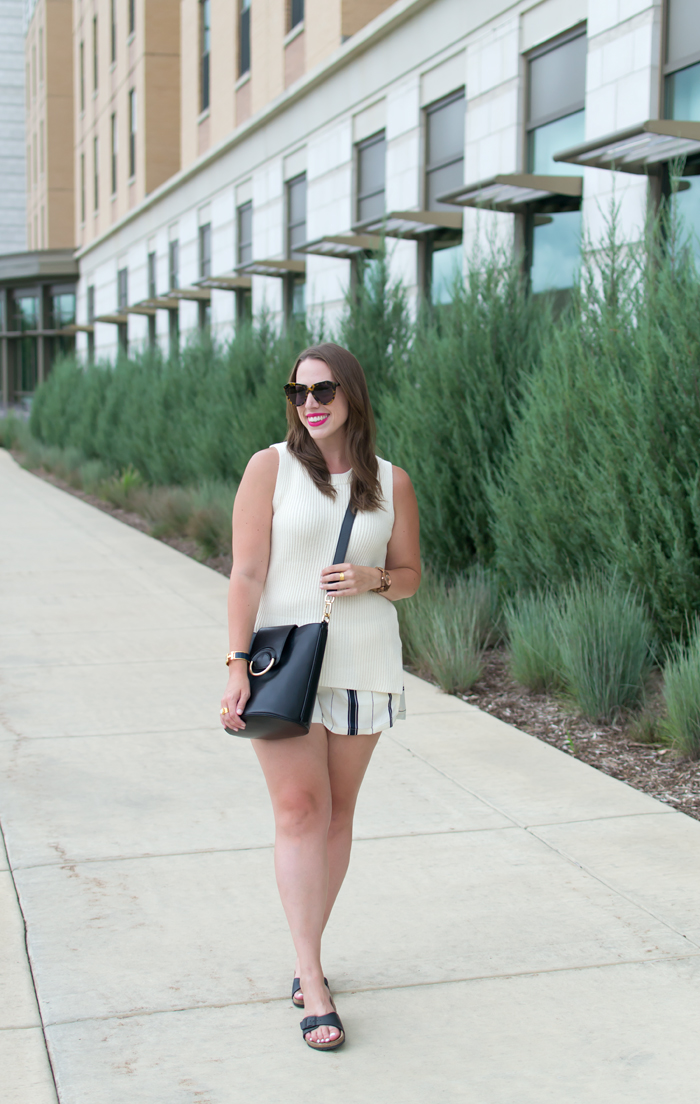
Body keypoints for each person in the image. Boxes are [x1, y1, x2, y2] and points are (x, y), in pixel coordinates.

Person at [220, 342, 420, 1050]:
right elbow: (246, 573)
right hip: (286, 665)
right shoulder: (269, 468)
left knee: (338, 817)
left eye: (324, 390)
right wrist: (238, 664)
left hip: (364, 661)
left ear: (352, 395)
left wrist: (373, 581)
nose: (310, 403)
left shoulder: (389, 482)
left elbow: (411, 576)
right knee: (301, 811)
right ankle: (311, 972)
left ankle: (309, 952)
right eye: (299, 392)